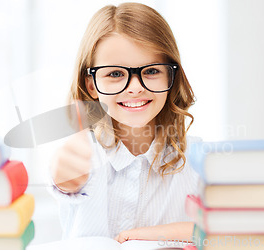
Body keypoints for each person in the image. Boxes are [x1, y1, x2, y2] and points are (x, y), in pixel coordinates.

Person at [49, 2, 201, 243]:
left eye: (151, 71)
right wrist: (65, 172)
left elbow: (223, 233)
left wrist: (144, 237)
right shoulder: (84, 155)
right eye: (116, 74)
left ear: (171, 76)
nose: (135, 88)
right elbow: (65, 178)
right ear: (91, 85)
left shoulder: (197, 159)